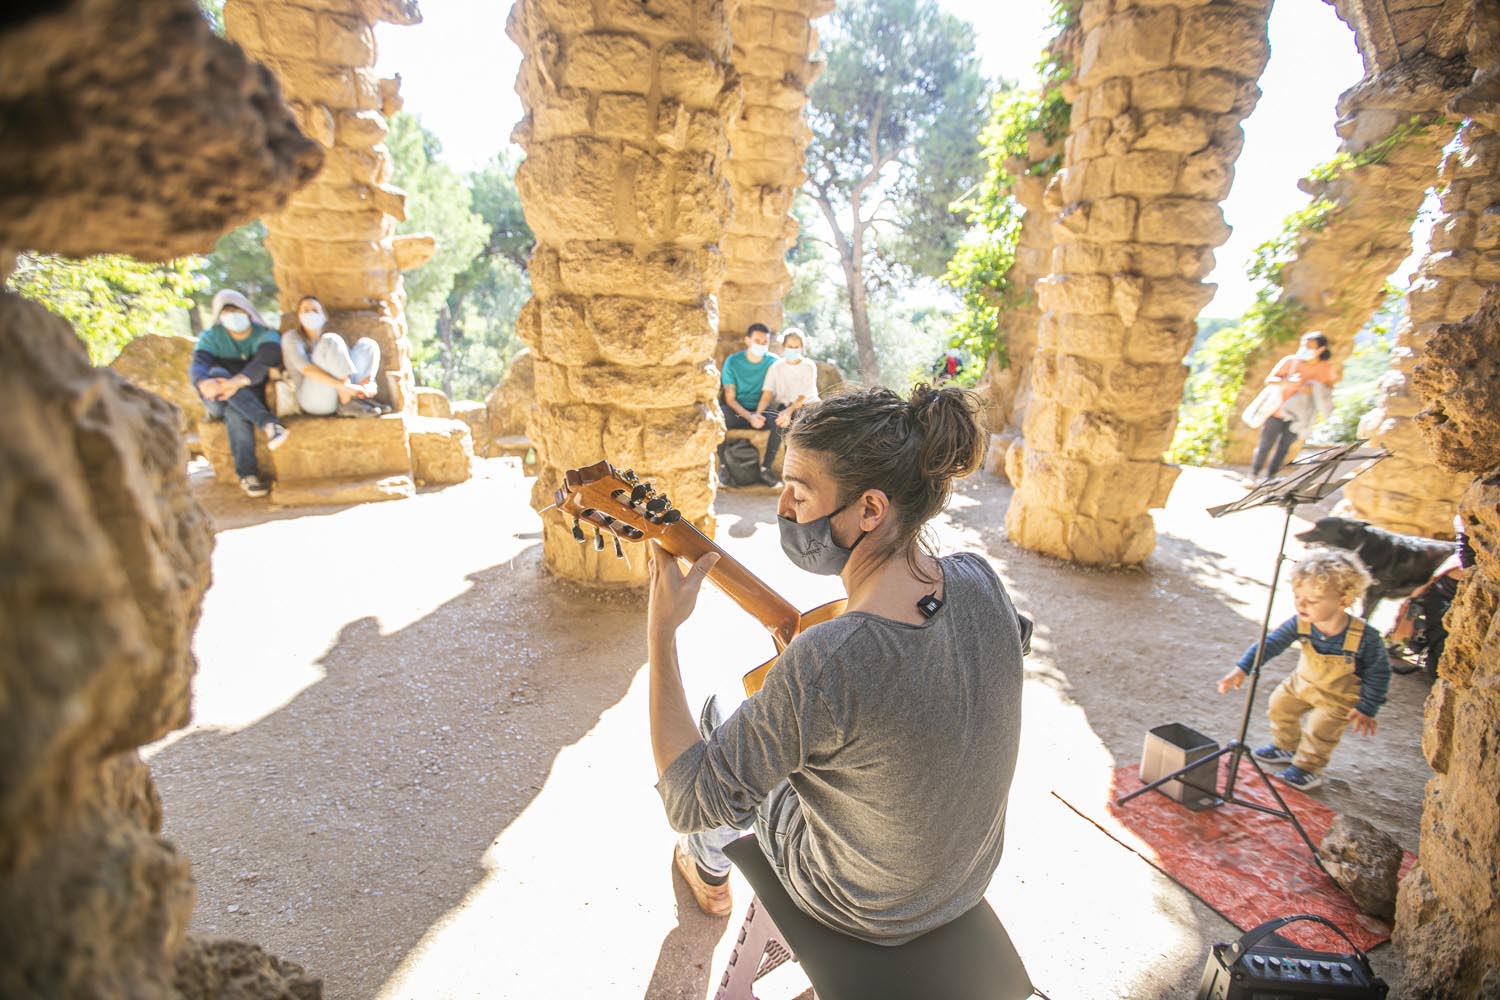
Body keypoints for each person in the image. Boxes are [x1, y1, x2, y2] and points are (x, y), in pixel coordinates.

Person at [648, 384, 1029, 943]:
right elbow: (1011, 639)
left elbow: (688, 801)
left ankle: (706, 867)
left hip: (862, 906)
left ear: (870, 509)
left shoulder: (827, 662)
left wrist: (661, 630)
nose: (782, 509)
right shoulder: (979, 577)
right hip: (965, 880)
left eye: (798, 494)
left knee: (721, 712)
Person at [1216, 549, 1391, 791]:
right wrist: (1243, 668)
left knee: (1320, 731)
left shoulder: (1365, 637)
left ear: (1344, 600)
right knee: (1279, 707)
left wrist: (1368, 707)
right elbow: (1271, 643)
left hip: (1338, 698)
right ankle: (1286, 746)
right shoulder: (1301, 622)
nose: (1301, 604)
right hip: (1301, 683)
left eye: (1313, 600)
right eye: (1297, 596)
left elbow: (1379, 673)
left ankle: (1308, 768)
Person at [189, 289, 288, 498]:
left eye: (236, 311)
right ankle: (269, 424)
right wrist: (204, 383)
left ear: (248, 312)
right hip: (216, 397)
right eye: (226, 312)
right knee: (215, 374)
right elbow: (198, 366)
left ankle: (247, 476)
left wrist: (236, 382)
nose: (232, 316)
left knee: (235, 413)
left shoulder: (265, 335)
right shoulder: (211, 337)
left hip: (249, 393)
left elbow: (265, 360)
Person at [1249, 331, 1337, 481]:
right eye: (1303, 345)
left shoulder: (1325, 368)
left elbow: (1328, 390)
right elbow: (1269, 380)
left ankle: (1270, 478)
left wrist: (1313, 388)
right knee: (1265, 445)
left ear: (1321, 349)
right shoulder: (1290, 361)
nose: (1305, 349)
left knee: (1284, 448)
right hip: (1277, 410)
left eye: (1309, 347)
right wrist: (1287, 382)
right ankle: (1253, 474)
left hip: (1300, 416)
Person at [280, 295, 387, 417]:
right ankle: (347, 402)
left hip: (337, 393)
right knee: (331, 340)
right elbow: (307, 370)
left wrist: (369, 386)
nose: (311, 314)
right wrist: (346, 387)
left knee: (367, 345)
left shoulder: (327, 343)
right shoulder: (292, 338)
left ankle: (362, 397)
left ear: (324, 316)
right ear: (299, 316)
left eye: (315, 310)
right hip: (313, 400)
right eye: (306, 310)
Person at [719, 323, 782, 488]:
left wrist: (758, 415)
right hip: (737, 411)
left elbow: (772, 394)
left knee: (780, 421)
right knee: (717, 417)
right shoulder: (732, 362)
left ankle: (766, 469)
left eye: (765, 342)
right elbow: (730, 399)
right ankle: (724, 469)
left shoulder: (774, 363)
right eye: (757, 341)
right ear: (747, 340)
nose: (761, 345)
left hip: (763, 411)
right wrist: (750, 417)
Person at [762, 328, 820, 432]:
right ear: (783, 346)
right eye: (790, 346)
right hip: (785, 406)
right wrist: (757, 414)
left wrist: (788, 412)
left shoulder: (808, 366)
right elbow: (767, 394)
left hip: (807, 406)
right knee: (778, 423)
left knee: (794, 424)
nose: (793, 350)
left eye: (796, 347)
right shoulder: (776, 367)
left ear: (802, 347)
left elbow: (802, 397)